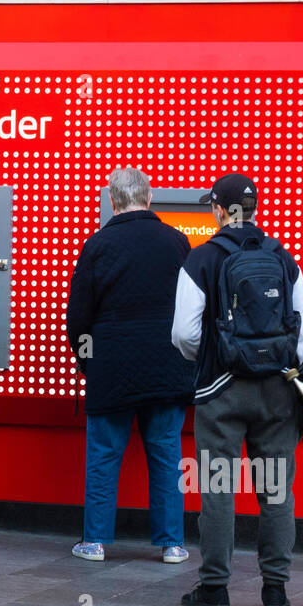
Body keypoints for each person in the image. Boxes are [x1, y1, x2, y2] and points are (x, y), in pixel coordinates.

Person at [171, 173, 303, 606]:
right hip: (277, 394)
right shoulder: (284, 259)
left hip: (221, 392)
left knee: (218, 489)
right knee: (275, 492)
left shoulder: (201, 260)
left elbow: (183, 334)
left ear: (218, 209)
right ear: (253, 209)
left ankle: (214, 589)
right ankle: (275, 590)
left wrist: (216, 357)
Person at [66, 167, 195, 564]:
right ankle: (172, 543)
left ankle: (96, 542)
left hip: (112, 367)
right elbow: (192, 308)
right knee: (166, 455)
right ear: (149, 197)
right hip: (168, 368)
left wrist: (89, 361)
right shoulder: (177, 242)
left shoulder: (98, 245)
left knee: (104, 454)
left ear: (111, 200)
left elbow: (79, 315)